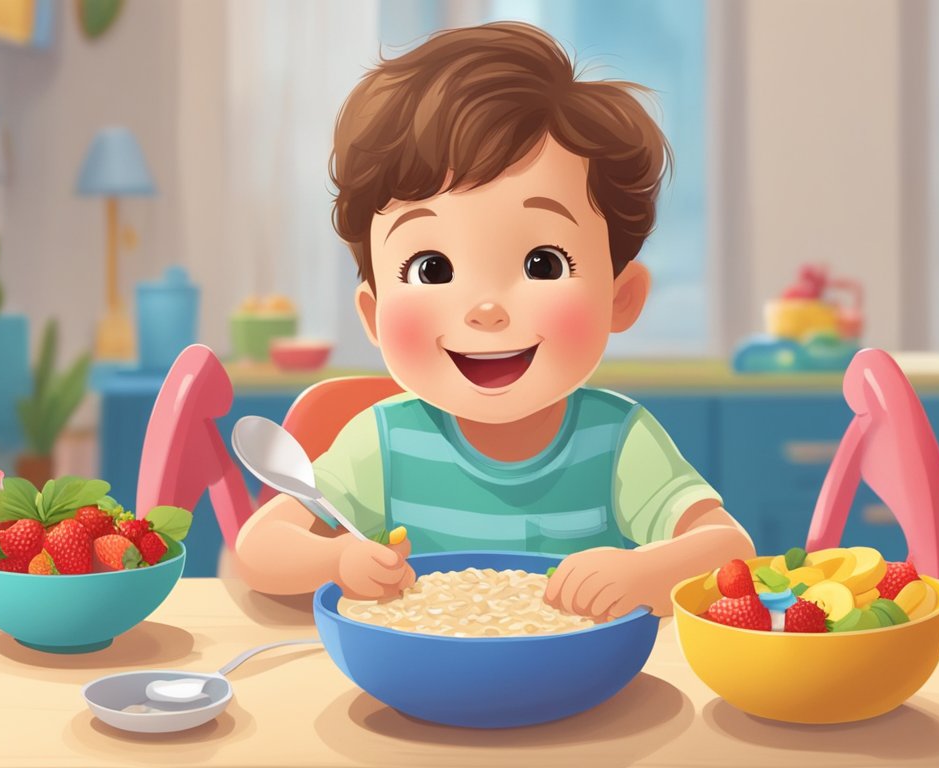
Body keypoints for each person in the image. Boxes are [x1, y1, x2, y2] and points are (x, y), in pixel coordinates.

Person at [236, 21, 754, 619]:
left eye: (542, 263)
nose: (485, 309)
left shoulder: (619, 443)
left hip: (582, 689)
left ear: (621, 298)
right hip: (423, 680)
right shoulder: (381, 445)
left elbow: (729, 552)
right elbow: (260, 547)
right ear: (374, 317)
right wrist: (336, 563)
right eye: (431, 268)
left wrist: (644, 571)